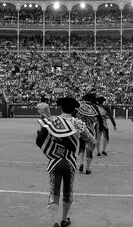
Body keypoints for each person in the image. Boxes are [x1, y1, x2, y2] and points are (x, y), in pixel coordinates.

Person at [36, 97, 96, 227]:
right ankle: (64, 219)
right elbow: (92, 141)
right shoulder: (78, 123)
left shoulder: (52, 121)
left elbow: (40, 139)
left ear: (60, 108)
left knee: (54, 190)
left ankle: (54, 221)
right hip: (70, 162)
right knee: (68, 191)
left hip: (54, 161)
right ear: (74, 110)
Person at [74, 93, 102, 175]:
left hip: (80, 128)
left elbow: (74, 116)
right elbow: (99, 118)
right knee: (90, 147)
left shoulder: (79, 106)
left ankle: (81, 163)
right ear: (91, 100)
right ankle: (88, 168)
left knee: (81, 146)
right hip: (90, 129)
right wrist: (100, 128)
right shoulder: (94, 107)